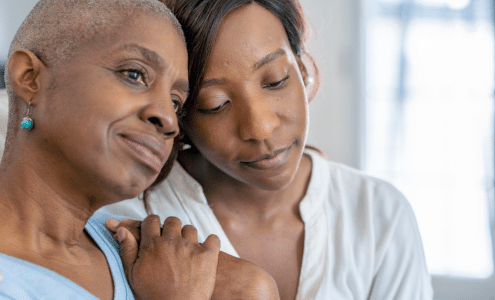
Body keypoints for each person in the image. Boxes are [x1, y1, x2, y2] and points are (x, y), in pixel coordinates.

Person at [101, 0, 434, 299]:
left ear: (303, 69)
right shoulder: (135, 219)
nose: (259, 128)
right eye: (215, 104)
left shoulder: (380, 216)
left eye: (275, 81)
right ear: (180, 113)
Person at [0, 0, 279, 299]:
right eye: (134, 74)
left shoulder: (164, 263)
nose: (169, 120)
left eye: (176, 103)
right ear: (30, 78)